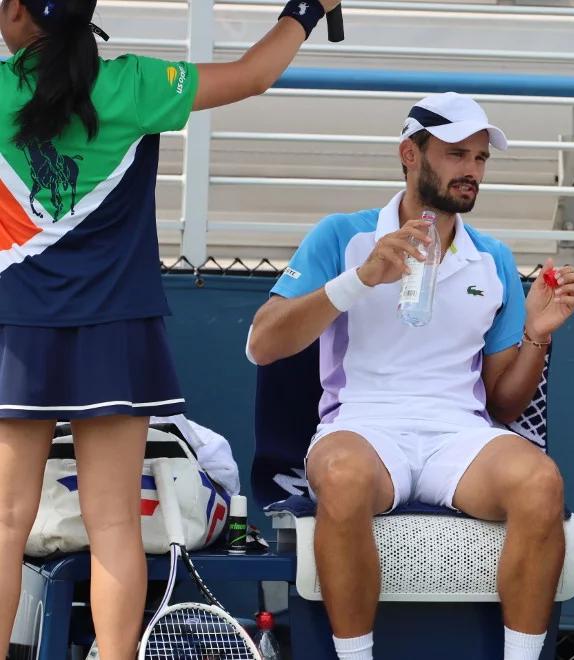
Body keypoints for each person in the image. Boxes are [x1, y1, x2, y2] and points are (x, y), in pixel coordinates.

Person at [0, 0, 341, 656]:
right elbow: (254, 74)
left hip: (19, 330)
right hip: (118, 334)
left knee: (6, 523)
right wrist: (305, 11)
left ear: (16, 10)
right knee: (114, 523)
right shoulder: (132, 81)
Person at [246, 92, 574, 660]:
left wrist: (538, 335)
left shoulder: (494, 257)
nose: (471, 171)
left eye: (479, 159)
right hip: (364, 426)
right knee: (344, 477)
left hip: (461, 435)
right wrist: (361, 277)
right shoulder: (343, 235)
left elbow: (503, 403)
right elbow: (262, 342)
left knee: (541, 483)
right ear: (409, 153)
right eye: (456, 154)